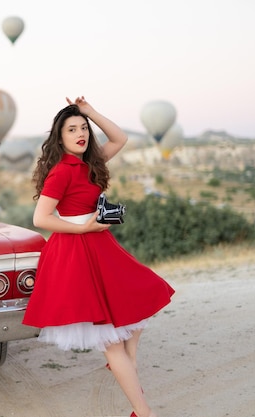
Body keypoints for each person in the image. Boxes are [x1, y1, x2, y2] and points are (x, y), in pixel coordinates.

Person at [22, 96, 175, 417]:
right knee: (113, 336)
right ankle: (143, 412)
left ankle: (127, 365)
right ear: (59, 138)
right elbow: (41, 218)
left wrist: (90, 112)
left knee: (142, 295)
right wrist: (83, 228)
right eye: (71, 130)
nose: (81, 134)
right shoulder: (62, 171)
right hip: (78, 249)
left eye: (84, 129)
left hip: (99, 243)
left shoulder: (91, 163)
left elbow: (120, 138)